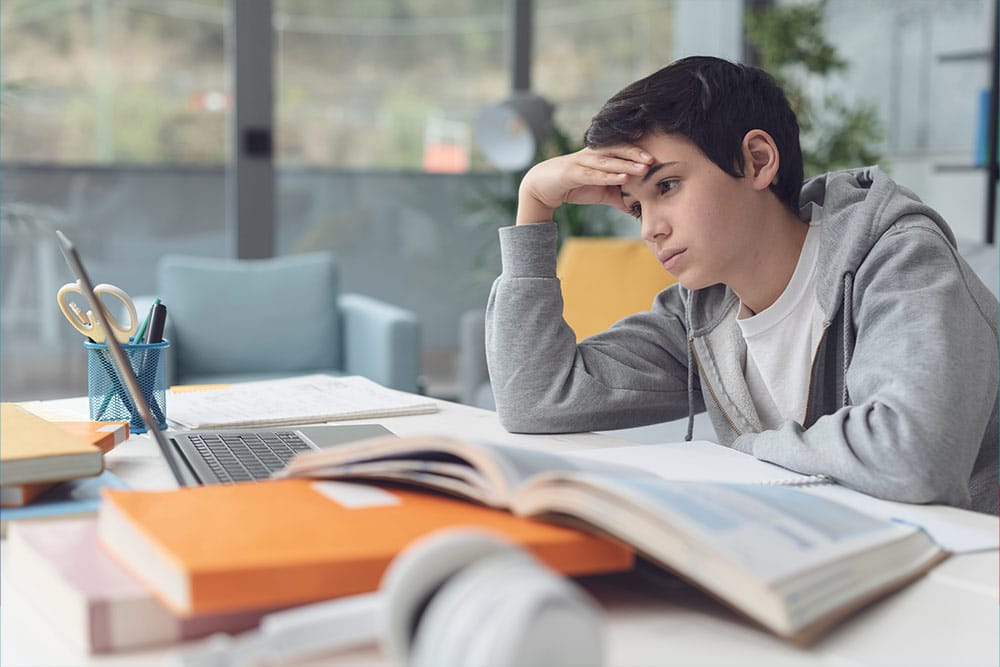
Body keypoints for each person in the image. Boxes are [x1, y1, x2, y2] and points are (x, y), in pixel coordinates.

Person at [485, 55, 999, 514]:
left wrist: (742, 452)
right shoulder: (703, 313)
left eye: (667, 186)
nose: (649, 228)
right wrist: (535, 207)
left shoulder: (899, 260)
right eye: (637, 206)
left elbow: (913, 454)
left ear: (757, 160)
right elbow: (539, 398)